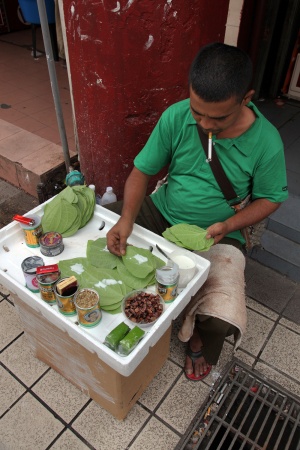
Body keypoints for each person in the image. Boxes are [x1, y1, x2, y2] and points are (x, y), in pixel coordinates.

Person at [104, 42, 288, 380]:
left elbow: (270, 199)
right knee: (103, 232)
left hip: (220, 232)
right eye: (197, 111)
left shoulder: (267, 142)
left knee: (221, 315)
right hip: (163, 211)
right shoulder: (175, 116)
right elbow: (143, 171)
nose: (204, 123)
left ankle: (198, 337)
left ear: (246, 99)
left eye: (217, 117)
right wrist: (127, 220)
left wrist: (230, 223)